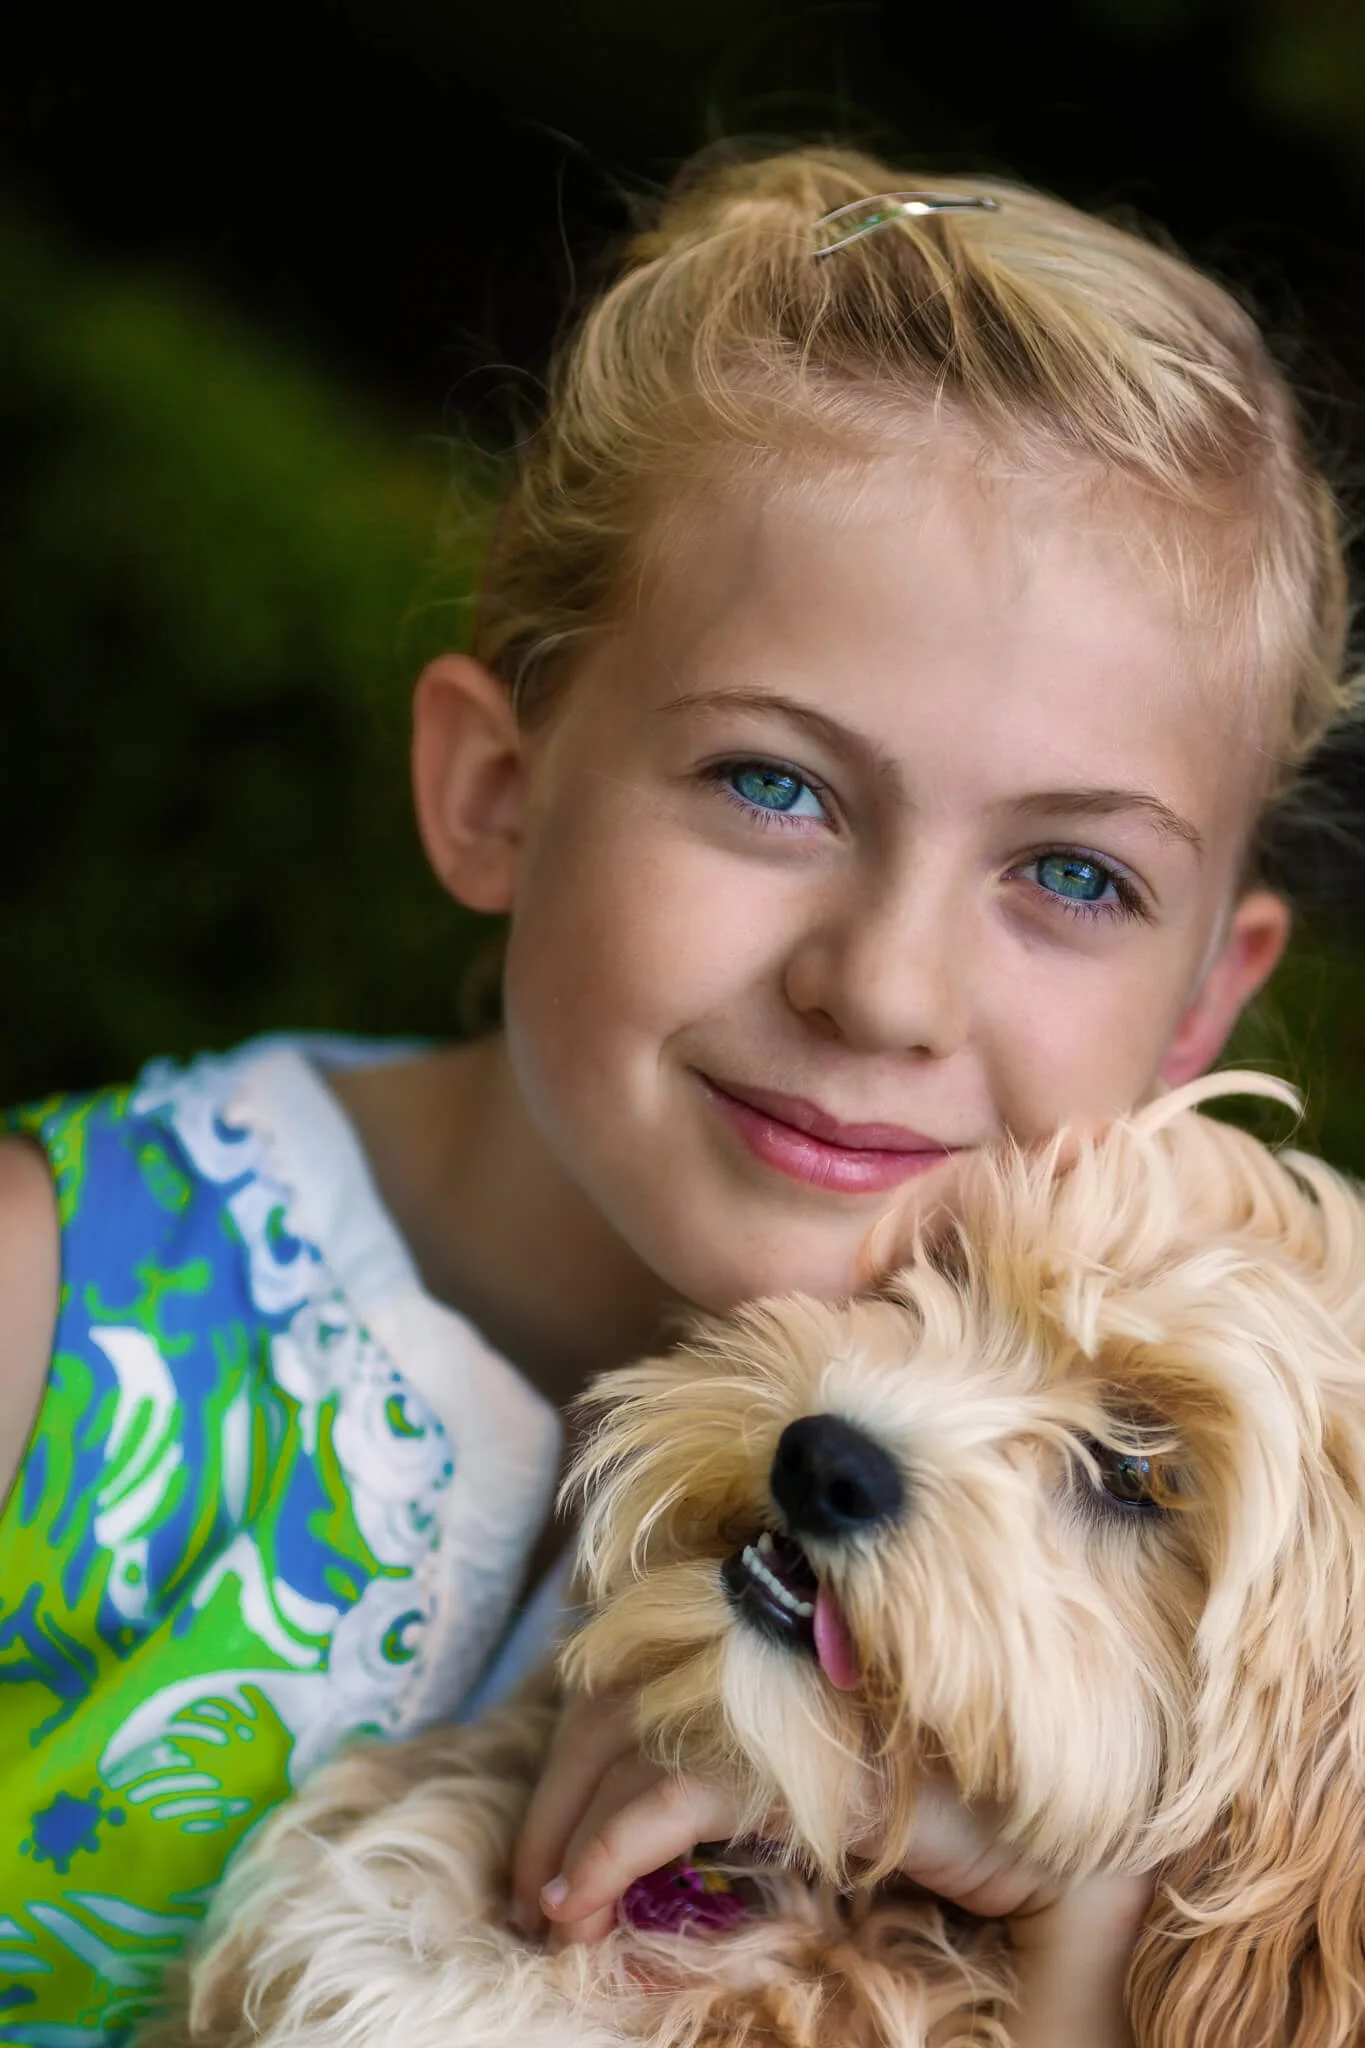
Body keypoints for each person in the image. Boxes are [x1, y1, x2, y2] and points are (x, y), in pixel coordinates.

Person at [0, 143, 1355, 2048]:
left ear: (1204, 1000)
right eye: (773, 785)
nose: (883, 985)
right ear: (496, 790)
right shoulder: (49, 1322)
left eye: (1071, 874)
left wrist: (1075, 1920)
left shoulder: (1125, 1651)